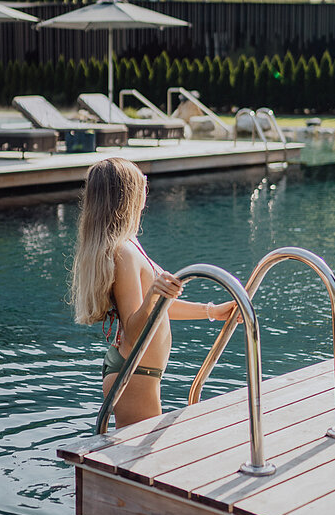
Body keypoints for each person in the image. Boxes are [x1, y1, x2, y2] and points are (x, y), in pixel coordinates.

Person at [71, 157, 239, 428]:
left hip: (138, 372)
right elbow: (136, 329)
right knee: (136, 465)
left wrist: (212, 311)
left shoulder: (129, 245)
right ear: (129, 198)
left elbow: (160, 308)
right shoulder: (123, 253)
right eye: (142, 190)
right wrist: (153, 295)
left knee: (136, 457)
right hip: (134, 374)